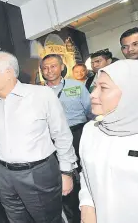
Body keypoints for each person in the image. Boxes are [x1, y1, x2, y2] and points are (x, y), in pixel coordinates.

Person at [0, 51, 78, 223]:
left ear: (9, 72)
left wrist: (66, 172)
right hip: (4, 176)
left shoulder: (42, 95)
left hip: (38, 173)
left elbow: (62, 136)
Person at [79, 60, 138, 223]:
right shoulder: (90, 130)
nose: (92, 94)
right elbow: (86, 174)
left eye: (104, 88)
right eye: (95, 86)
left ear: (133, 92)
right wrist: (87, 206)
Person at [41, 54, 93, 223]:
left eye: (53, 66)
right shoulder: (38, 93)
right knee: (64, 176)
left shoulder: (77, 86)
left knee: (86, 173)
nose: (49, 71)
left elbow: (90, 111)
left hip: (78, 133)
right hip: (53, 139)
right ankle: (73, 216)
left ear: (62, 67)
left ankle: (91, 208)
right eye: (45, 68)